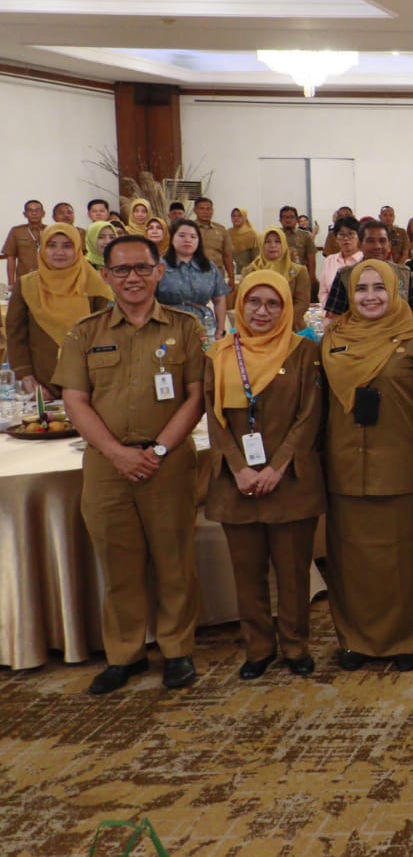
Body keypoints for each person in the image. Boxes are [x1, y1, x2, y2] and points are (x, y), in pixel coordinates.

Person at [55, 235, 207, 694]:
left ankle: (177, 650)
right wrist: (119, 454)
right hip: (107, 465)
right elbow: (75, 401)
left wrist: (158, 449)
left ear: (159, 271)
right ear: (106, 275)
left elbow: (196, 397)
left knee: (175, 559)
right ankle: (125, 654)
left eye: (142, 267)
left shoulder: (186, 328)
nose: (132, 278)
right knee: (117, 564)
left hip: (170, 463)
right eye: (121, 270)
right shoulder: (85, 332)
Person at [322, 261, 413, 672]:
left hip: (406, 468)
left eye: (380, 288)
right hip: (345, 467)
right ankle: (356, 639)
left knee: (409, 558)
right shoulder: (333, 340)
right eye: (361, 289)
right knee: (352, 560)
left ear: (396, 292)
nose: (370, 296)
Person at [203, 271, 326, 679]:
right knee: (247, 573)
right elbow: (214, 419)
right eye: (254, 302)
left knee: (293, 572)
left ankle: (295, 645)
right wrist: (239, 468)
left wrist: (278, 466)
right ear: (239, 305)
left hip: (289, 480)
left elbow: (310, 416)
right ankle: (257, 647)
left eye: (273, 304)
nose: (262, 311)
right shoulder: (219, 353)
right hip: (236, 482)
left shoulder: (303, 352)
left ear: (287, 308)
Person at [5, 224, 113, 397]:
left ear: (78, 248)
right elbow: (15, 334)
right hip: (41, 381)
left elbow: (106, 334)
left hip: (89, 381)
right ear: (42, 248)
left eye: (67, 246)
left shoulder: (95, 284)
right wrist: (25, 375)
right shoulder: (26, 285)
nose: (59, 252)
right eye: (51, 245)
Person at [321, 221, 413, 327]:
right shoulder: (345, 276)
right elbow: (336, 316)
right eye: (370, 241)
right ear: (360, 245)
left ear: (389, 245)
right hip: (358, 339)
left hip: (399, 339)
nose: (377, 246)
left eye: (382, 241)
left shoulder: (404, 274)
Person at [156, 219, 229, 340]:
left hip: (203, 326)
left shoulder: (209, 268)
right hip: (167, 325)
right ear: (172, 238)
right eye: (182, 235)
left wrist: (220, 330)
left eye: (193, 236)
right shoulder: (159, 266)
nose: (188, 240)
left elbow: (219, 300)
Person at [242, 227, 313, 332]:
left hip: (290, 328)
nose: (273, 245)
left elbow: (302, 304)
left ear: (284, 244)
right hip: (257, 326)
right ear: (261, 245)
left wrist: (279, 323)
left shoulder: (299, 271)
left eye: (277, 241)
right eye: (267, 242)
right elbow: (244, 301)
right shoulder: (250, 271)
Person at [319, 217, 364, 308]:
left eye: (351, 234)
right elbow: (323, 292)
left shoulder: (365, 260)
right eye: (341, 235)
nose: (346, 239)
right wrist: (330, 310)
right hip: (333, 315)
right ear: (336, 238)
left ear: (359, 236)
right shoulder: (329, 261)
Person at [191, 197, 234, 285]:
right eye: (201, 209)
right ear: (195, 210)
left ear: (212, 210)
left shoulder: (221, 230)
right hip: (194, 273)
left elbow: (227, 255)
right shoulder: (189, 228)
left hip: (216, 274)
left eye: (208, 209)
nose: (205, 212)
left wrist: (231, 276)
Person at [3, 199, 47, 285]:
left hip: (47, 280)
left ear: (43, 213)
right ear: (25, 214)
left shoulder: (50, 231)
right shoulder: (16, 231)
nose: (34, 213)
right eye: (30, 210)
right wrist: (11, 283)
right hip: (24, 280)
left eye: (37, 210)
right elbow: (11, 258)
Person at [277, 205, 317, 273]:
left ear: (296, 220)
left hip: (301, 274)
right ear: (280, 220)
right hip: (280, 274)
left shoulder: (305, 235)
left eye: (291, 217)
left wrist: (311, 279)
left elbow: (311, 261)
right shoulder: (276, 235)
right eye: (285, 217)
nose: (288, 220)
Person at [228, 208, 260, 272]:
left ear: (245, 217)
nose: (236, 218)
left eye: (239, 216)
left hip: (247, 271)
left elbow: (256, 258)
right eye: (233, 216)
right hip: (230, 271)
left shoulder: (251, 234)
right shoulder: (227, 233)